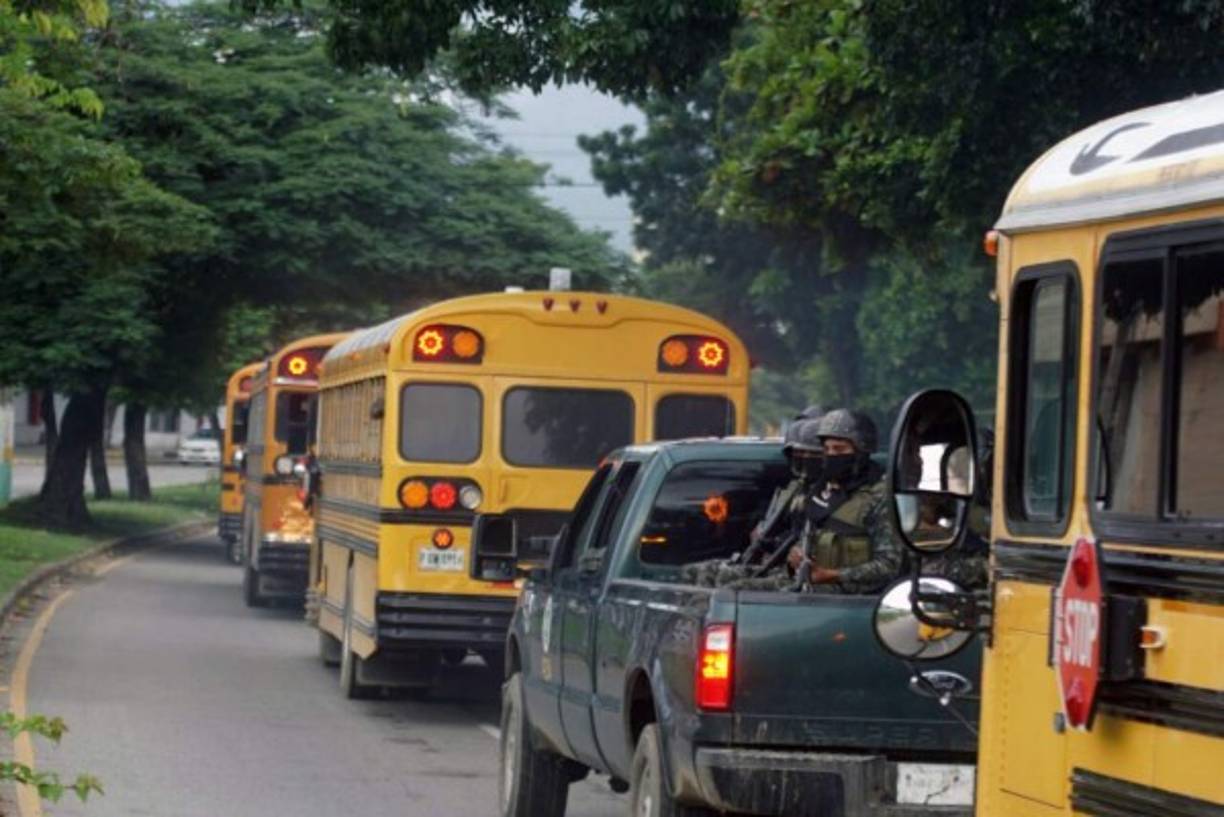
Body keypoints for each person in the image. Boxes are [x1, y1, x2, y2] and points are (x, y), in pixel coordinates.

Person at [728, 408, 906, 594]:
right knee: (729, 589)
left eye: (839, 449)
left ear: (861, 451)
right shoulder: (823, 491)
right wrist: (794, 559)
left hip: (849, 595)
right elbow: (806, 539)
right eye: (827, 449)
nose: (832, 455)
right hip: (807, 585)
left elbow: (890, 566)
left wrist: (834, 575)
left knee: (736, 596)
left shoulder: (879, 497)